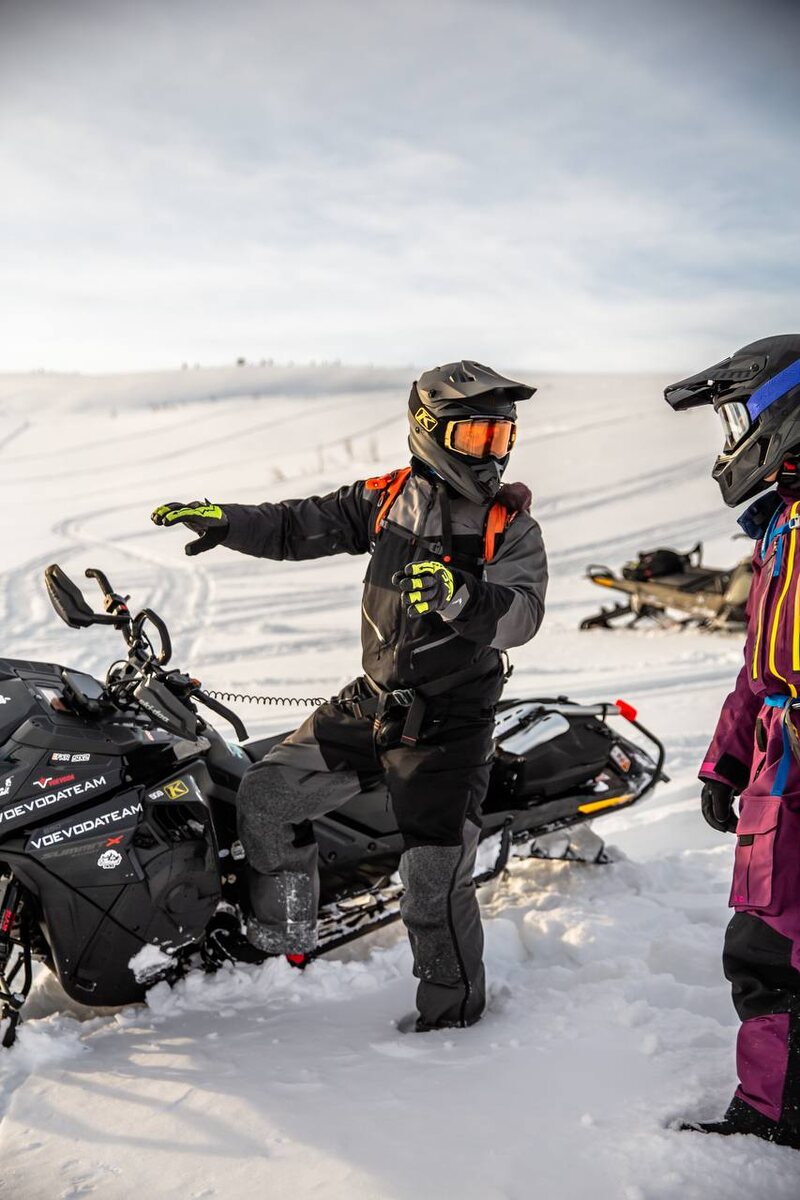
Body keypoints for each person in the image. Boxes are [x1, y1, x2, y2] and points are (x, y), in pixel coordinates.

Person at [152, 361, 547, 1031]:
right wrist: (227, 522)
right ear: (429, 431)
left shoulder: (508, 525)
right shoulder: (388, 498)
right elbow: (296, 525)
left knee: (431, 883)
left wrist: (459, 596)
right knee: (267, 794)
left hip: (451, 722)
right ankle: (283, 946)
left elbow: (522, 615)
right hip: (376, 700)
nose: (490, 453)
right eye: (475, 436)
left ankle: (454, 1027)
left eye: (499, 437)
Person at [666, 333, 800, 1147]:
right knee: (767, 948)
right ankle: (777, 1109)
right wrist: (726, 760)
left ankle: (775, 1118)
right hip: (780, 767)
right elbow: (761, 666)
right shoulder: (781, 523)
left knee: (769, 951)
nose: (734, 437)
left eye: (740, 417)